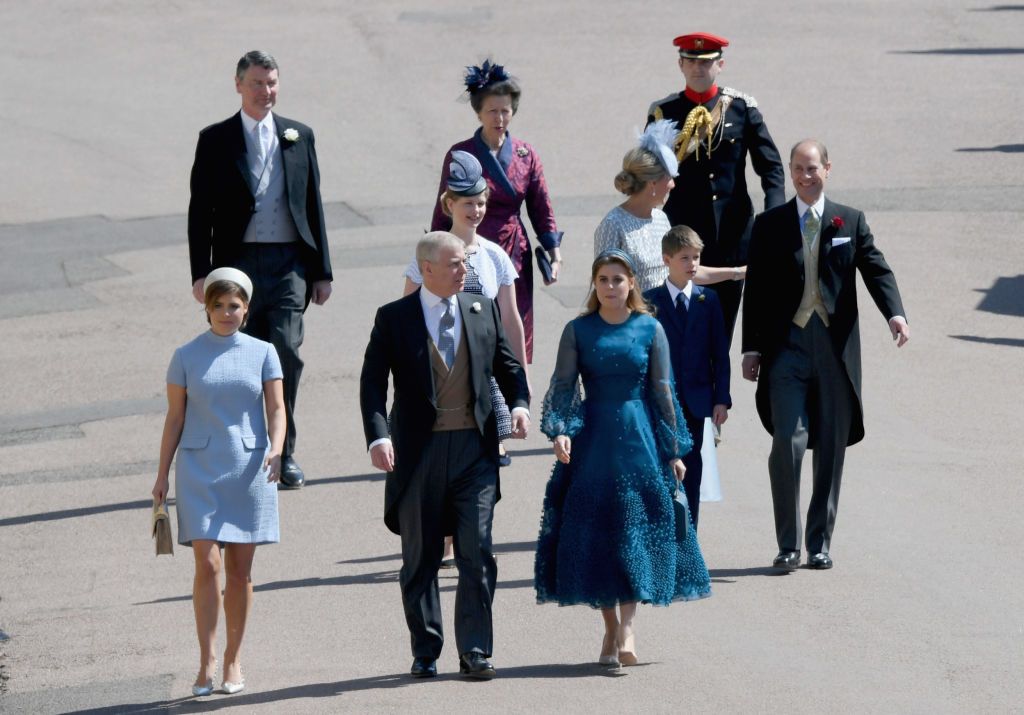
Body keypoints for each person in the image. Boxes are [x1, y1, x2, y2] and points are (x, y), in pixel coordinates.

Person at [360, 232, 531, 680]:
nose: (464, 271)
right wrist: (379, 438)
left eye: (465, 263)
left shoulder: (480, 310)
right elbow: (372, 385)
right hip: (419, 454)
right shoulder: (394, 319)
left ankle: (475, 650)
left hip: (474, 451)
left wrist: (519, 404)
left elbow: (508, 366)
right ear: (427, 270)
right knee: (421, 557)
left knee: (477, 550)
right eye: (455, 264)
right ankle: (426, 648)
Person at [534, 250, 711, 668]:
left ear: (631, 283)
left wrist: (673, 450)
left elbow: (663, 391)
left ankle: (628, 629)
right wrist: (561, 429)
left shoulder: (649, 328)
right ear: (594, 286)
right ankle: (610, 625)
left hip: (639, 439)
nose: (611, 287)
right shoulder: (578, 330)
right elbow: (563, 386)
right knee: (599, 536)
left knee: (634, 531)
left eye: (618, 279)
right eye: (603, 280)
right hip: (593, 441)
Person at [742, 139, 910, 571]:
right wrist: (751, 347)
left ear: (827, 169)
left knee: (831, 448)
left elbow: (876, 268)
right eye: (797, 168)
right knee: (789, 442)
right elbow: (756, 290)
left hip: (834, 353)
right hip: (787, 352)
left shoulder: (849, 221)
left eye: (812, 168)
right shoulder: (770, 225)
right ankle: (787, 544)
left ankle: (819, 543)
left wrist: (895, 314)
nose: (804, 175)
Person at [187, 50, 333, 489]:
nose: (265, 92)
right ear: (238, 85)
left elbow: (313, 205)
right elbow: (200, 212)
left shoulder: (298, 136)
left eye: (271, 83)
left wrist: (321, 271)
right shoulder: (215, 139)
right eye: (256, 83)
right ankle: (242, 450)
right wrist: (202, 272)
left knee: (284, 353)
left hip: (289, 263)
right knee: (242, 360)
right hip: (238, 263)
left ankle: (283, 452)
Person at [151, 267, 285, 697]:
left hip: (249, 469)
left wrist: (278, 448)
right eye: (218, 306)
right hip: (197, 468)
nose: (226, 313)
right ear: (205, 308)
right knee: (206, 564)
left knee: (240, 570)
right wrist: (160, 479)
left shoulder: (264, 351)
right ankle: (206, 659)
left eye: (234, 306)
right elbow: (174, 419)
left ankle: (233, 658)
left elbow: (278, 409)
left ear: (246, 308)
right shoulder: (186, 355)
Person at [406, 151, 530, 567]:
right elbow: (407, 314)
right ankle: (441, 535)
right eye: (466, 203)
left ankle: (468, 536)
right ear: (449, 206)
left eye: (480, 202)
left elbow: (509, 319)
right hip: (440, 377)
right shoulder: (429, 250)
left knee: (481, 462)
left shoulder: (495, 256)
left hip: (484, 377)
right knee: (440, 456)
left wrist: (520, 389)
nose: (475, 210)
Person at [647, 32, 786, 341]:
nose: (699, 69)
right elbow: (648, 175)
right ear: (680, 65)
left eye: (707, 63)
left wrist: (773, 220)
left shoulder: (741, 108)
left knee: (720, 333)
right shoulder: (663, 113)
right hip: (680, 237)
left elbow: (771, 169)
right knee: (677, 332)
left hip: (731, 239)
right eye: (692, 62)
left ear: (720, 65)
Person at [430, 59, 563, 362]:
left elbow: (542, 206)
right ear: (478, 112)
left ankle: (516, 393)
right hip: (469, 246)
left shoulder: (525, 154)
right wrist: (435, 250)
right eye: (492, 110)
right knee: (471, 322)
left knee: (514, 321)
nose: (499, 118)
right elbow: (444, 207)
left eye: (505, 110)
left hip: (514, 249)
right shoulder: (461, 153)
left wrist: (553, 250)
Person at [643, 226, 731, 529]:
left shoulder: (709, 301)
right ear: (666, 259)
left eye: (696, 257)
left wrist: (722, 398)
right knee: (661, 466)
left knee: (693, 467)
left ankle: (689, 536)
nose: (692, 264)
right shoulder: (649, 302)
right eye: (684, 258)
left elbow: (720, 354)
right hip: (660, 402)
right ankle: (662, 532)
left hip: (695, 401)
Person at [595, 120, 748, 293]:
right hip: (635, 319)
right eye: (669, 178)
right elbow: (604, 288)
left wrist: (738, 272)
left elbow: (680, 272)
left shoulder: (660, 219)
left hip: (666, 317)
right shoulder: (612, 224)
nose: (673, 185)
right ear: (652, 183)